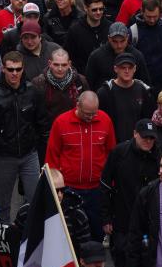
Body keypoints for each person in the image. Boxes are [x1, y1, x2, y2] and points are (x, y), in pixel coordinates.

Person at [0, 51, 50, 222]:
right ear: (3, 69)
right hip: (4, 156)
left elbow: (43, 125)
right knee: (2, 205)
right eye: (10, 69)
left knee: (35, 201)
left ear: (23, 69)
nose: (14, 73)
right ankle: (3, 241)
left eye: (18, 69)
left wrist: (42, 155)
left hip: (29, 154)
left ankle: (33, 240)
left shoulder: (33, 92)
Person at [46, 91, 116, 240]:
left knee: (97, 232)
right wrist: (56, 188)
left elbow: (112, 154)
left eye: (94, 114)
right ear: (77, 105)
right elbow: (52, 157)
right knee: (69, 234)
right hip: (70, 189)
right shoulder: (61, 122)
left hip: (97, 189)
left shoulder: (105, 120)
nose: (90, 117)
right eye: (87, 114)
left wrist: (112, 182)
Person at [101, 119, 161, 267]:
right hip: (122, 220)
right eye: (144, 137)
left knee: (146, 262)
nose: (148, 141)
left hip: (147, 225)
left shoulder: (159, 158)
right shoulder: (119, 153)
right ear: (135, 134)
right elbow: (105, 184)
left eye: (151, 138)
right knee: (122, 261)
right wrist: (105, 218)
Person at [14, 168, 91, 258]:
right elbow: (16, 244)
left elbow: (85, 252)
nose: (60, 195)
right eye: (55, 190)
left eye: (62, 190)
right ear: (42, 190)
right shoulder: (25, 213)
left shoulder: (77, 216)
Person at [97, 52, 153, 143]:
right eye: (123, 67)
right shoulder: (105, 92)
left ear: (134, 69)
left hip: (137, 145)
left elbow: (147, 119)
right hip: (113, 144)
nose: (127, 71)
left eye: (130, 67)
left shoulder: (143, 90)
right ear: (116, 69)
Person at [128, 0, 162, 94]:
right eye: (148, 17)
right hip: (142, 85)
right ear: (142, 12)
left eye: (155, 16)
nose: (152, 20)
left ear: (160, 12)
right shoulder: (133, 32)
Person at [86, 22, 150, 92]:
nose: (119, 45)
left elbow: (145, 84)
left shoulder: (137, 56)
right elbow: (89, 84)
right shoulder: (96, 56)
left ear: (127, 38)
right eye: (115, 41)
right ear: (109, 38)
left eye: (122, 41)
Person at [65, 0, 111, 75]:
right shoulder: (75, 30)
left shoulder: (110, 27)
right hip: (83, 75)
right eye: (94, 10)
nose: (98, 12)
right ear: (85, 8)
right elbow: (69, 56)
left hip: (107, 75)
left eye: (101, 9)